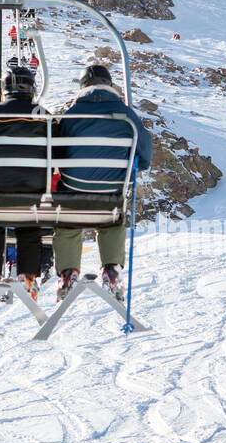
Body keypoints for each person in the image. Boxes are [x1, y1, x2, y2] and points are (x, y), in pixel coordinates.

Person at [52, 63, 152, 301]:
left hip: (75, 191)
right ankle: (111, 268)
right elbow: (145, 156)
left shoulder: (72, 114)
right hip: (112, 195)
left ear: (82, 87)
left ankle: (68, 271)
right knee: (114, 218)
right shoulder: (127, 115)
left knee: (67, 223)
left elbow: (56, 154)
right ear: (109, 85)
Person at [0, 61, 51, 299]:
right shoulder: (43, 115)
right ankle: (28, 274)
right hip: (34, 190)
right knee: (29, 224)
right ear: (31, 88)